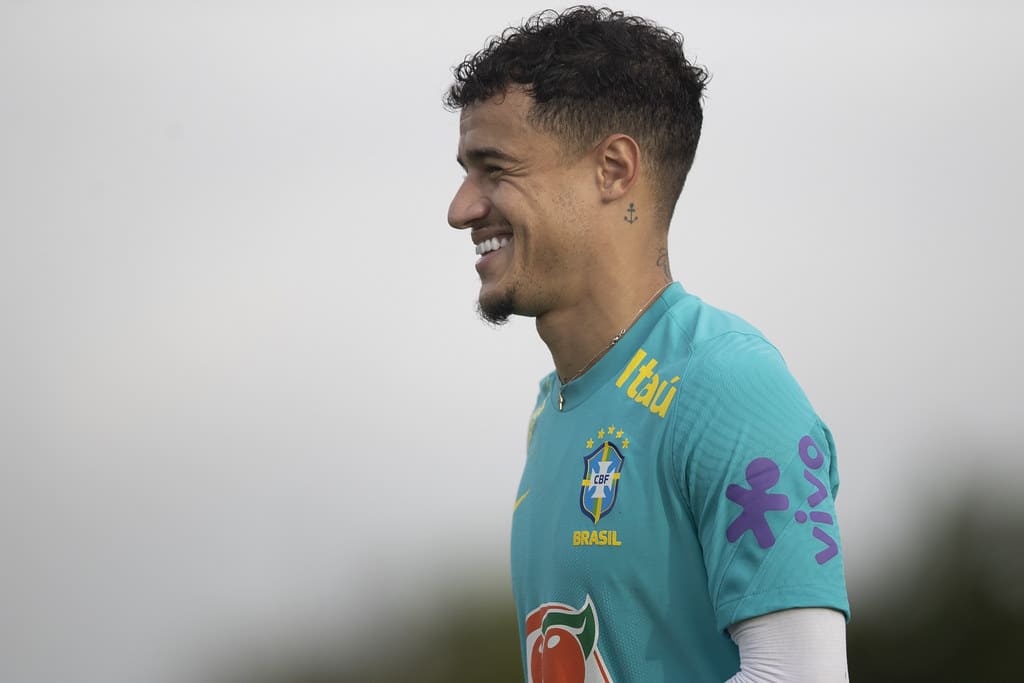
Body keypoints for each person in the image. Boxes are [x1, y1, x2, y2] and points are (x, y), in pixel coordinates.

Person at [445, 6, 850, 682]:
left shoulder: (729, 387)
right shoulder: (553, 410)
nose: (460, 207)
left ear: (613, 168)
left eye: (494, 168)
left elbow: (799, 675)